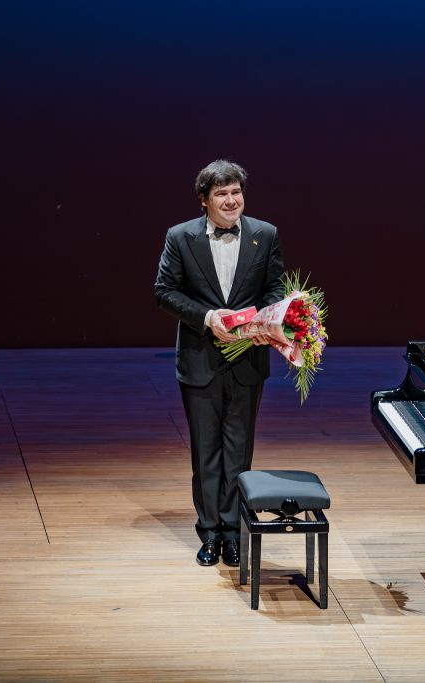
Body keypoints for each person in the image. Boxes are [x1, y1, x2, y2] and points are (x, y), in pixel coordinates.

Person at [154, 160, 285, 567]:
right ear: (204, 201)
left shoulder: (265, 235)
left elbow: (275, 286)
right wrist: (208, 319)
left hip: (247, 359)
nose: (231, 201)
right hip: (200, 360)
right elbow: (165, 291)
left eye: (236, 192)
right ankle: (209, 532)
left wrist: (264, 320)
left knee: (239, 450)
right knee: (206, 451)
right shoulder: (181, 237)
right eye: (222, 194)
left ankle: (233, 532)